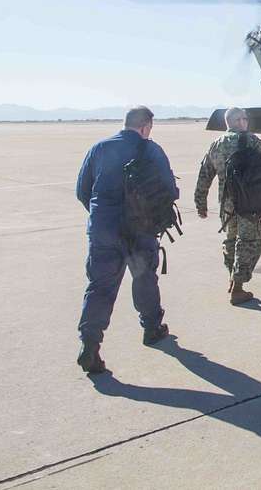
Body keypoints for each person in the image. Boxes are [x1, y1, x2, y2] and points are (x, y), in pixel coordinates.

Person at [75, 106, 178, 374]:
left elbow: (82, 190)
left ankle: (89, 345)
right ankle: (152, 328)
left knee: (100, 287)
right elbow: (170, 189)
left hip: (104, 230)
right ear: (145, 126)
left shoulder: (99, 148)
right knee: (144, 278)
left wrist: (105, 217)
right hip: (140, 230)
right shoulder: (152, 150)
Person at [194, 107, 261, 305]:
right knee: (250, 242)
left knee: (230, 241)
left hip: (227, 203)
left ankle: (233, 276)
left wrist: (200, 203)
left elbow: (204, 175)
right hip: (249, 203)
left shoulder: (215, 145)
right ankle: (238, 286)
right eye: (243, 118)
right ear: (236, 121)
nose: (246, 121)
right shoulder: (251, 140)